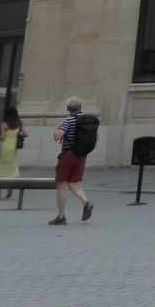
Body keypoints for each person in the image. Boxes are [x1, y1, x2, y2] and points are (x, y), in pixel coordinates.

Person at [50, 96, 94, 225]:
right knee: (75, 184)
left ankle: (61, 216)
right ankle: (86, 202)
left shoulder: (68, 120)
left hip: (68, 155)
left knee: (61, 185)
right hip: (81, 155)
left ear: (68, 108)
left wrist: (56, 130)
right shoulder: (88, 120)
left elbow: (57, 137)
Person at [0, 106, 27, 197]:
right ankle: (10, 189)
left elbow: (3, 137)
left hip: (5, 146)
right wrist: (17, 134)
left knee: (0, 168)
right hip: (13, 148)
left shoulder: (4, 124)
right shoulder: (19, 123)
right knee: (11, 167)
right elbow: (26, 134)